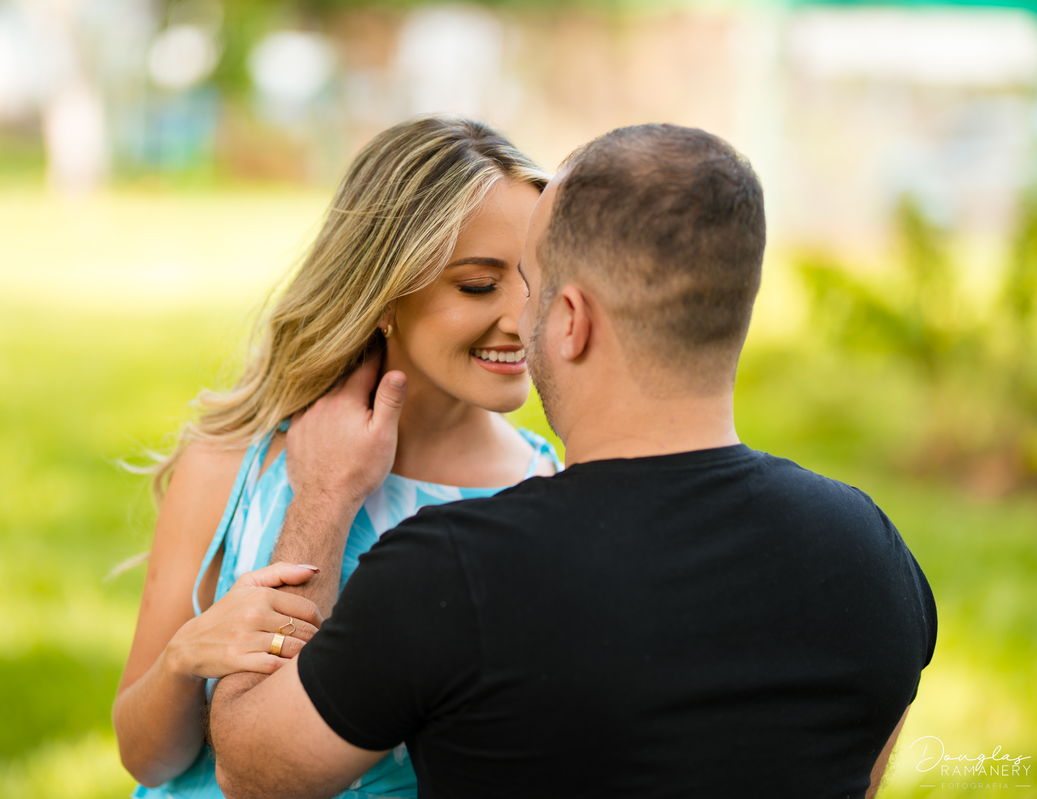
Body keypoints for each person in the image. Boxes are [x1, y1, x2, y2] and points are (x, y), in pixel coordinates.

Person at [206, 124, 938, 799]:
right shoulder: (874, 555)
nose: (516, 317)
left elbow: (252, 770)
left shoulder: (452, 575)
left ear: (571, 320)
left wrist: (322, 498)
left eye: (531, 284)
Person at [112, 116, 560, 799]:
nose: (524, 318)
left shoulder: (548, 488)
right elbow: (146, 760)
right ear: (384, 293)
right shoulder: (236, 463)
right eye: (478, 285)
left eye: (539, 280)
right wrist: (183, 659)